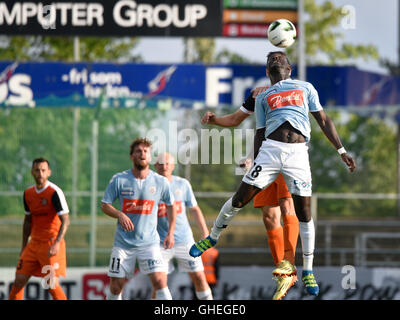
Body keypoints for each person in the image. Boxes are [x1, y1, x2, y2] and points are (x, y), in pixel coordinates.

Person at [190, 51, 356, 299]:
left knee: (303, 212)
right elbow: (258, 131)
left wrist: (341, 150)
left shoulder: (305, 87)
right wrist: (256, 161)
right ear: (268, 72)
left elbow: (322, 119)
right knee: (238, 200)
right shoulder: (262, 95)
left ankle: (307, 270)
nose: (276, 59)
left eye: (280, 58)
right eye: (271, 59)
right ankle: (212, 237)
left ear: (289, 68)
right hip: (270, 151)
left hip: (298, 154)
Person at [201, 99, 299, 300]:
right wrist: (215, 120)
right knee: (269, 216)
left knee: (287, 205)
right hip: (264, 159)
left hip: (289, 156)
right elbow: (237, 119)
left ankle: (289, 262)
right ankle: (283, 273)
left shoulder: (295, 91)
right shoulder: (259, 95)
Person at [101, 138, 176, 300]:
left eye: (145, 151)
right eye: (138, 151)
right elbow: (105, 204)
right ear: (131, 156)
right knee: (116, 286)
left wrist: (170, 232)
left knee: (160, 281)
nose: (142, 154)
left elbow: (171, 206)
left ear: (150, 157)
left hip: (149, 244)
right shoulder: (119, 179)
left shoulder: (161, 182)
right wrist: (120, 214)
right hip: (123, 244)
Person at [153, 152, 213, 300]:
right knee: (159, 283)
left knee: (199, 277)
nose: (164, 166)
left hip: (184, 240)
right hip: (159, 243)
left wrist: (205, 232)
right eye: (161, 163)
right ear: (155, 165)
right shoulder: (148, 186)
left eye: (168, 163)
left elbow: (194, 209)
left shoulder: (182, 184)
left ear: (173, 166)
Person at [9, 157, 70, 300]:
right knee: (18, 280)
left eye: (43, 170)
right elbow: (28, 221)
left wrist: (56, 243)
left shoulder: (54, 192)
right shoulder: (28, 194)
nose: (40, 174)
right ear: (32, 172)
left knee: (51, 284)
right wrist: (24, 246)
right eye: (37, 170)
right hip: (33, 244)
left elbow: (65, 220)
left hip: (50, 245)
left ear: (49, 172)